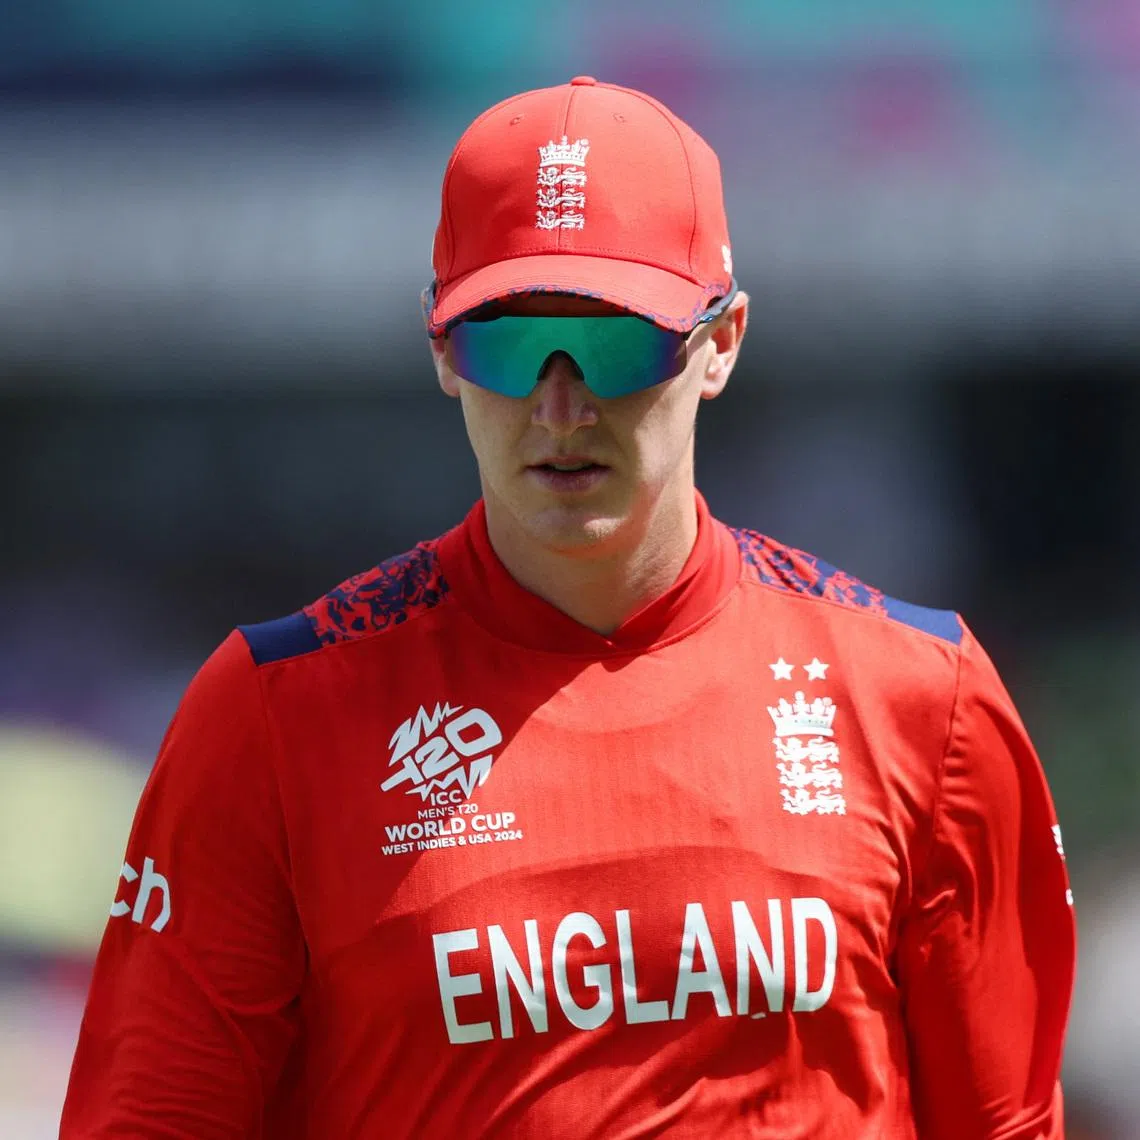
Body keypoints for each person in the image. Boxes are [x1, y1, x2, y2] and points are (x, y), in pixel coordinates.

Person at [61, 76, 1075, 1139]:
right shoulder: (273, 717)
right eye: (506, 340)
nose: (559, 404)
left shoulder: (924, 699)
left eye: (612, 342)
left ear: (719, 343)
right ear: (443, 353)